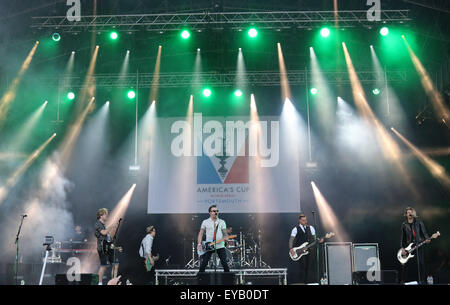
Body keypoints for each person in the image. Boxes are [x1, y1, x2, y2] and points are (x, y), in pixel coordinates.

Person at [400, 207, 430, 284]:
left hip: (419, 244)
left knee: (421, 263)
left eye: (411, 212)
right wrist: (403, 248)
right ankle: (406, 281)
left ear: (413, 214)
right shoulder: (404, 224)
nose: (410, 213)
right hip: (409, 247)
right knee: (407, 264)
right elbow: (403, 238)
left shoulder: (419, 222)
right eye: (408, 212)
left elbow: (424, 232)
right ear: (406, 215)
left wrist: (427, 238)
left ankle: (422, 281)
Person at [197, 205, 230, 272]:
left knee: (224, 263)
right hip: (209, 245)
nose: (216, 212)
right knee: (204, 263)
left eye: (217, 211)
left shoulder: (221, 222)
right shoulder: (205, 222)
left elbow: (224, 233)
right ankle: (200, 280)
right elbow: (201, 233)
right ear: (210, 212)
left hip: (220, 245)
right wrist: (199, 244)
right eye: (214, 211)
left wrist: (226, 239)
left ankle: (228, 280)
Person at [289, 213, 320, 284]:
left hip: (309, 250)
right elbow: (291, 239)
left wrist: (318, 240)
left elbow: (314, 238)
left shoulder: (311, 228)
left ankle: (307, 282)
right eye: (303, 220)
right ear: (299, 221)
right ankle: (302, 282)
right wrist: (291, 249)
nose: (305, 221)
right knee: (302, 267)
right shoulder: (295, 229)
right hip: (299, 251)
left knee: (308, 267)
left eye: (305, 220)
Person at [94, 208, 121, 285]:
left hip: (108, 247)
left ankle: (113, 281)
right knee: (103, 266)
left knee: (116, 264)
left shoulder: (103, 225)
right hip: (102, 248)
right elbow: (104, 233)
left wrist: (116, 248)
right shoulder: (98, 224)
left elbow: (108, 238)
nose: (107, 216)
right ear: (101, 215)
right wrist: (111, 226)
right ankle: (100, 283)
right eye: (105, 214)